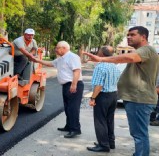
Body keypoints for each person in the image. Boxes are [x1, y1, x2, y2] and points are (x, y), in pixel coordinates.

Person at [84, 26, 159, 156]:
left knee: (139, 134)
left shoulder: (146, 50)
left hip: (139, 99)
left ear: (143, 37)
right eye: (128, 35)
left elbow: (129, 58)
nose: (128, 37)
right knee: (138, 133)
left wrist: (101, 59)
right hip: (135, 98)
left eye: (132, 34)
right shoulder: (142, 51)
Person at [35, 41, 84, 138]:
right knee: (67, 107)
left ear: (64, 48)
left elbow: (77, 71)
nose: (56, 49)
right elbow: (50, 63)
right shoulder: (61, 59)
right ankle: (69, 126)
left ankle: (75, 129)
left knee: (73, 108)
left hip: (74, 85)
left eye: (57, 48)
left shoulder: (73, 57)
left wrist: (74, 85)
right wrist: (37, 60)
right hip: (66, 85)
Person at [86, 46, 121, 153]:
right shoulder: (115, 66)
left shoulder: (100, 66)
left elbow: (99, 85)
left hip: (103, 96)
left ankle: (103, 145)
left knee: (100, 121)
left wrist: (93, 98)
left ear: (101, 54)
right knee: (109, 120)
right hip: (113, 95)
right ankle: (110, 142)